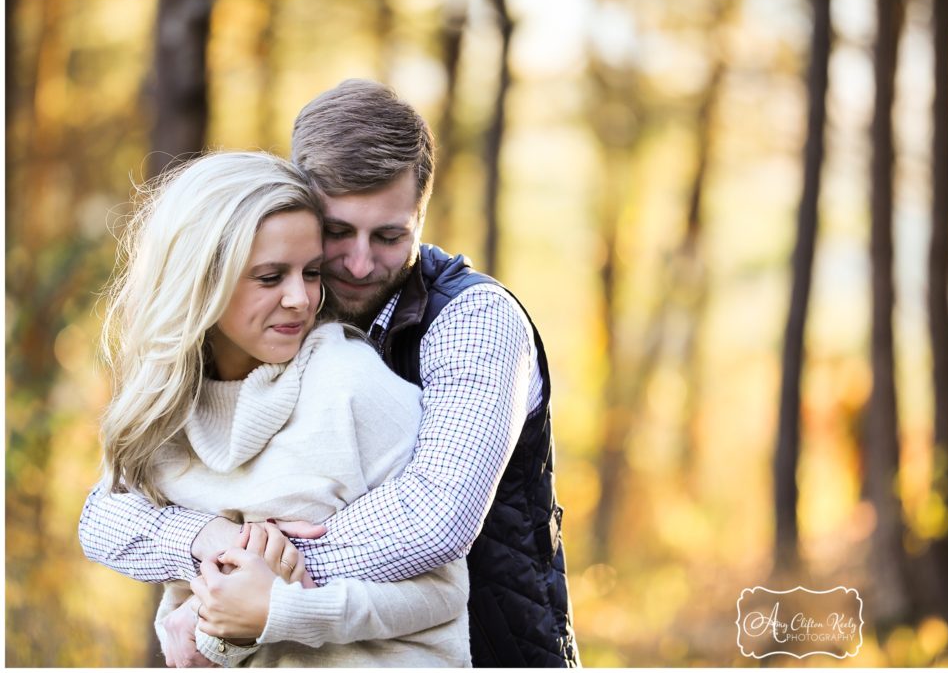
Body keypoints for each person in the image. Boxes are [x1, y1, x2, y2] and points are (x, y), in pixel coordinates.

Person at [80, 79, 580, 667]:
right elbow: (109, 507)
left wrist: (243, 579)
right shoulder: (278, 317)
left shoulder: (474, 321)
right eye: (338, 233)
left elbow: (434, 518)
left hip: (493, 649)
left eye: (391, 235)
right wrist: (203, 546)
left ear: (421, 214)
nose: (360, 264)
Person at [92, 150, 470, 667]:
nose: (300, 298)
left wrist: (283, 608)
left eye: (311, 272)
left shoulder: (348, 383)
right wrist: (211, 542)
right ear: (201, 279)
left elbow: (444, 592)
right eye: (270, 277)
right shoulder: (167, 408)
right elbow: (102, 523)